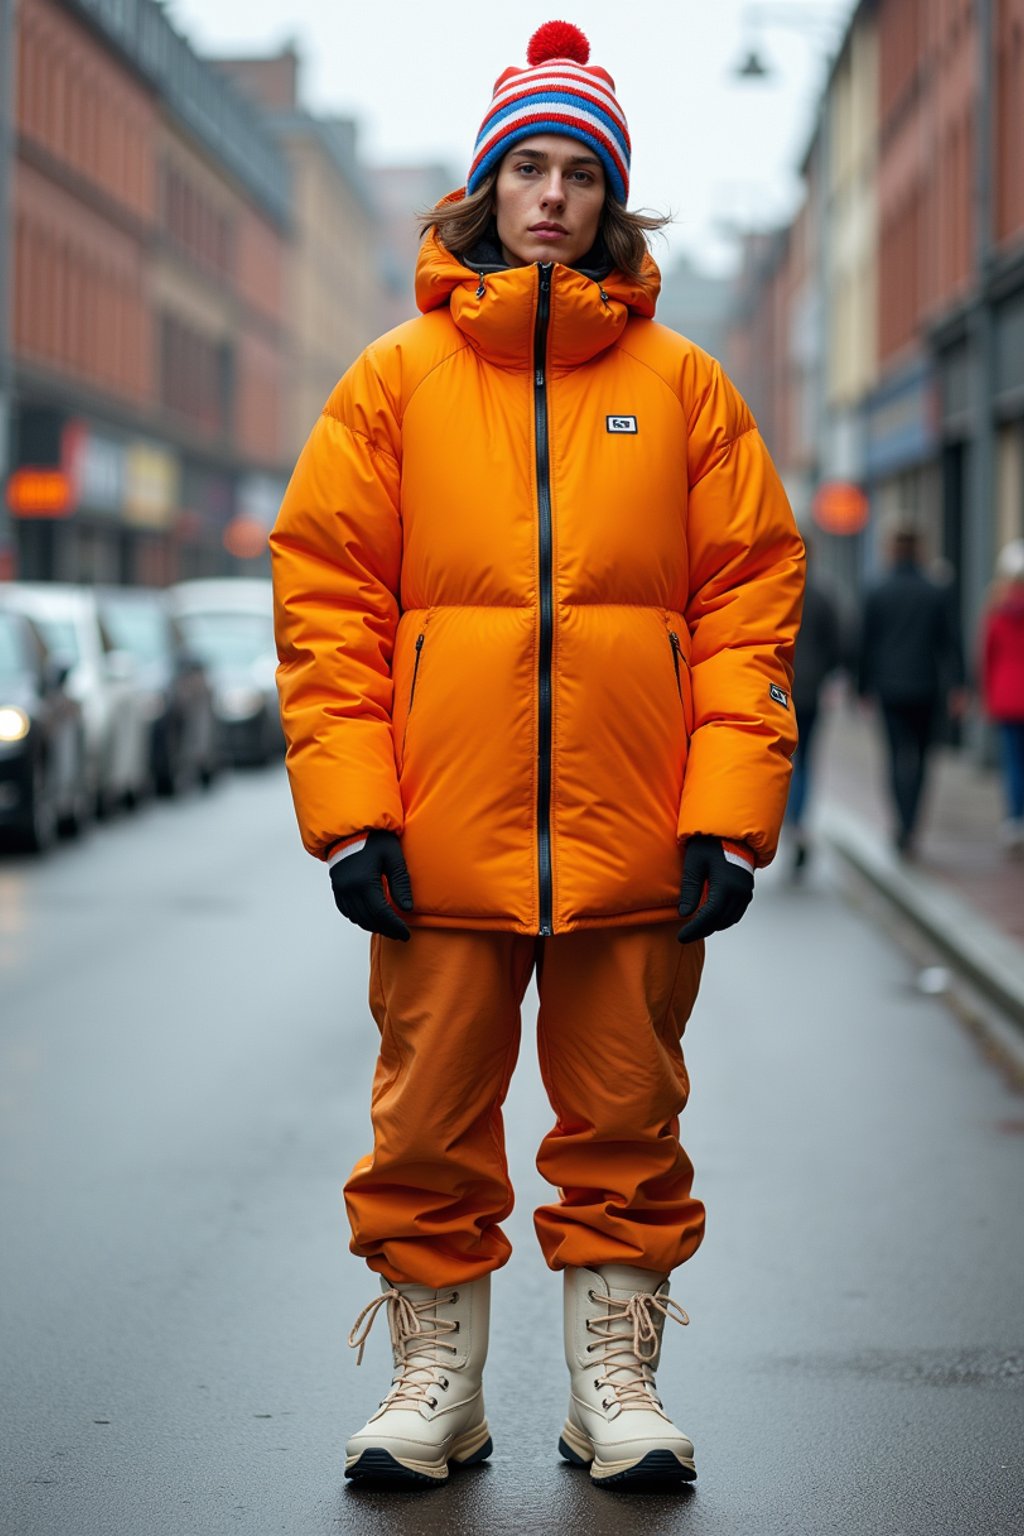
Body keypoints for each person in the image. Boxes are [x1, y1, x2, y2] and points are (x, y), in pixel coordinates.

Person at [271, 20, 804, 1492]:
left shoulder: (687, 388)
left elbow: (750, 602)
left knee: (628, 1118)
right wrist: (350, 814)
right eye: (529, 169)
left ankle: (611, 1392)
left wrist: (730, 813)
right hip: (439, 835)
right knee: (429, 1118)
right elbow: (328, 601)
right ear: (487, 191)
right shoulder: (395, 380)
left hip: (636, 838)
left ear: (611, 199)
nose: (553, 195)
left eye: (580, 172)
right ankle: (435, 1390)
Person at [857, 522, 966, 856]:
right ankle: (912, 823)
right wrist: (960, 685)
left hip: (889, 687)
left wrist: (862, 687)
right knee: (920, 758)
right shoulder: (935, 590)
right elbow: (951, 641)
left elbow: (865, 644)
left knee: (893, 757)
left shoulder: (878, 590)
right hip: (926, 686)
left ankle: (901, 824)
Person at [785, 534, 843, 873]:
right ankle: (799, 822)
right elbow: (838, 645)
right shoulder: (822, 595)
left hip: (776, 690)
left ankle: (784, 817)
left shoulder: (773, 592)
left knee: (781, 758)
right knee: (806, 758)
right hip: (810, 692)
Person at [981, 538, 1024, 852]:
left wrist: (985, 692)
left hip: (1007, 696)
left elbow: (986, 656)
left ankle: (1014, 820)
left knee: (1013, 761)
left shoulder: (996, 610)